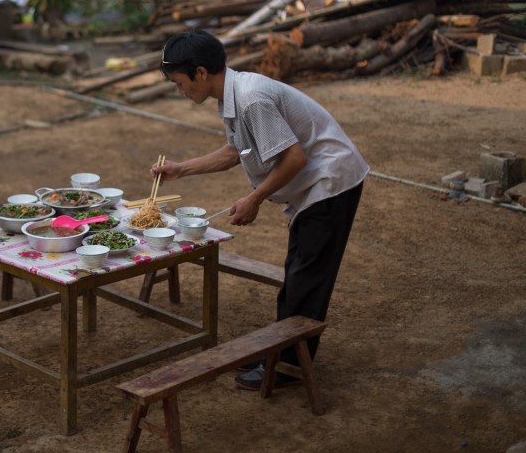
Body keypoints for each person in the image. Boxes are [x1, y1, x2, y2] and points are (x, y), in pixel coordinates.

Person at [152, 30, 368, 391]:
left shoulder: (251, 99)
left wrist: (254, 199)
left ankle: (286, 367)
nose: (180, 91)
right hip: (315, 184)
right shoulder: (234, 95)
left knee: (306, 280)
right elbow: (234, 151)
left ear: (201, 73)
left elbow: (293, 158)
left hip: (331, 181)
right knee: (298, 276)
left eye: (180, 83)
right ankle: (280, 351)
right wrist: (181, 168)